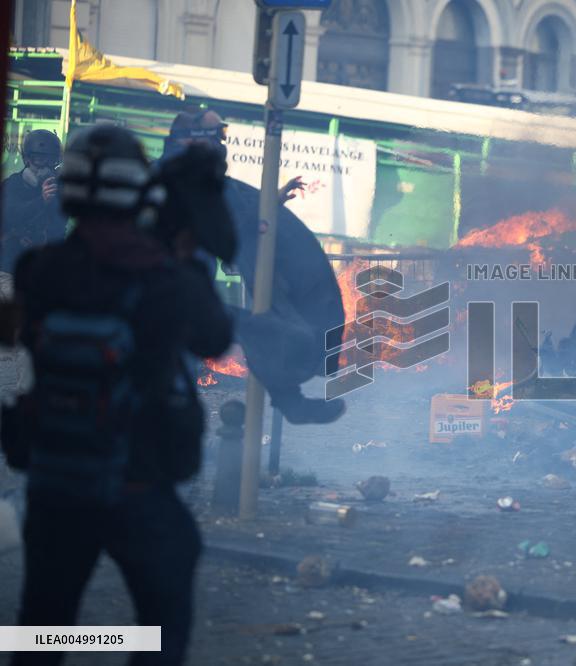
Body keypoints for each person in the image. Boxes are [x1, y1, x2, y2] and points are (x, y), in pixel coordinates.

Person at [0, 124, 233, 665]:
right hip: (137, 480)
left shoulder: (39, 272)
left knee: (41, 625)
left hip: (56, 480)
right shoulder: (165, 279)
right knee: (163, 625)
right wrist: (184, 246)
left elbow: (15, 337)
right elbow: (215, 338)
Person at [165, 109, 346, 425]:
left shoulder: (195, 177)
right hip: (165, 298)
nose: (222, 144)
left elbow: (231, 222)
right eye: (217, 135)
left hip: (184, 297)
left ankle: (290, 401)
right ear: (190, 139)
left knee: (260, 331)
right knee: (262, 331)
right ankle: (290, 402)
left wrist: (267, 208)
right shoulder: (180, 179)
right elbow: (225, 228)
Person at [1, 129, 67, 272]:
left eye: (51, 162)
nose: (45, 168)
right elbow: (12, 214)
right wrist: (41, 200)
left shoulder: (57, 188)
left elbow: (60, 227)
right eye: (39, 161)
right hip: (10, 266)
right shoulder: (12, 184)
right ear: (27, 160)